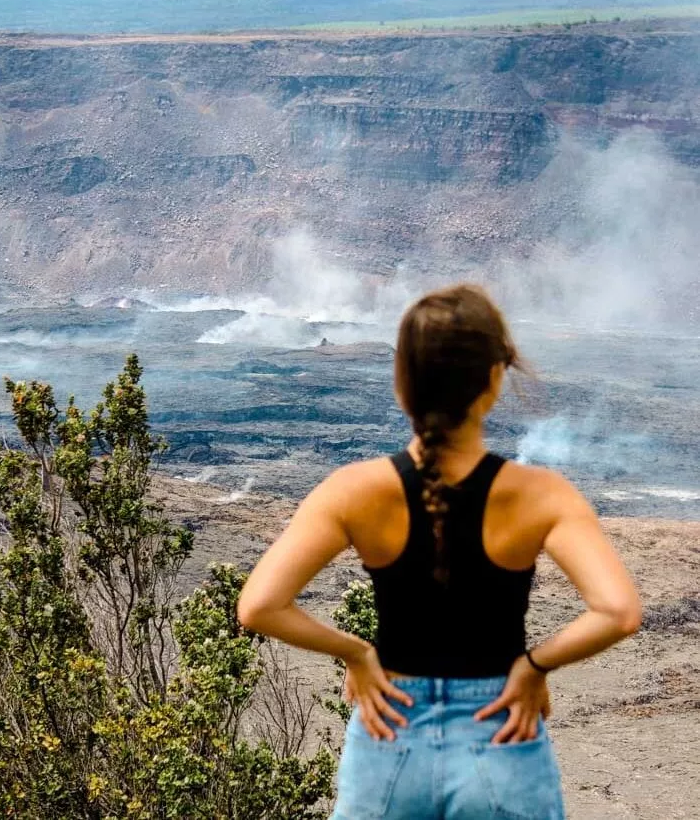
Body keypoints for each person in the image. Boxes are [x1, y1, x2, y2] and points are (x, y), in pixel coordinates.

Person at [237, 284, 642, 819]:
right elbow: (618, 612)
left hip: (388, 732)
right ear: (495, 380)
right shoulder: (543, 495)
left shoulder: (351, 491)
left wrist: (357, 653)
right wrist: (534, 666)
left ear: (402, 383)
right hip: (501, 731)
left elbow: (260, 606)